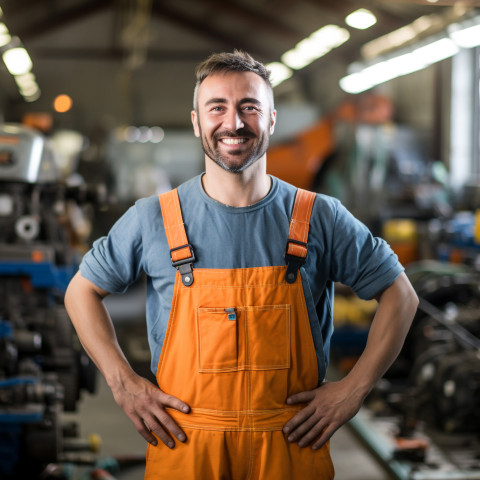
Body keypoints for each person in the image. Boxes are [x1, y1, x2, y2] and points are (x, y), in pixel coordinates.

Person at [65, 50, 418, 480]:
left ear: (271, 119)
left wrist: (353, 390)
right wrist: (123, 383)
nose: (233, 123)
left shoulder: (319, 216)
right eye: (217, 107)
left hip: (291, 443)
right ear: (197, 121)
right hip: (187, 445)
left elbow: (401, 294)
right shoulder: (154, 217)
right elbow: (81, 291)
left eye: (249, 107)